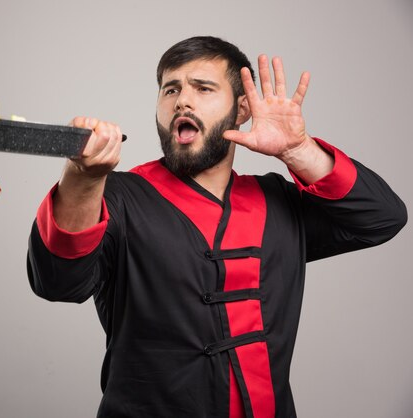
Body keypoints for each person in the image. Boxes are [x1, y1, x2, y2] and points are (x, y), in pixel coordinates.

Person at [26, 36, 407, 417]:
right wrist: (83, 179)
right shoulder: (119, 198)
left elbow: (382, 218)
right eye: (170, 89)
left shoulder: (278, 201)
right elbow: (57, 282)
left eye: (203, 88)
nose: (181, 101)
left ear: (242, 109)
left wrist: (298, 149)